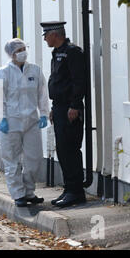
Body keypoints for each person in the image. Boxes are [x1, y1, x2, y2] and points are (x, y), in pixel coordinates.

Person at [0, 38, 50, 207]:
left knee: (34, 158)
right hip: (10, 122)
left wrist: (44, 114)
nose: (22, 52)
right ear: (11, 54)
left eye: (24, 48)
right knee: (12, 160)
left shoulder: (35, 70)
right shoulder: (3, 72)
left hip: (32, 121)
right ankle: (18, 194)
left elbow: (42, 94)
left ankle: (29, 192)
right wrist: (1, 118)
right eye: (19, 50)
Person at [40, 21, 87, 208]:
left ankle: (76, 191)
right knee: (63, 150)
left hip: (70, 108)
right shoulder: (57, 53)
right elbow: (59, 82)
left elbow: (78, 80)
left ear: (55, 34)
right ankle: (69, 189)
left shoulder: (72, 52)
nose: (44, 39)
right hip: (60, 107)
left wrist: (75, 105)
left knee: (70, 149)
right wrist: (54, 107)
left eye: (46, 35)